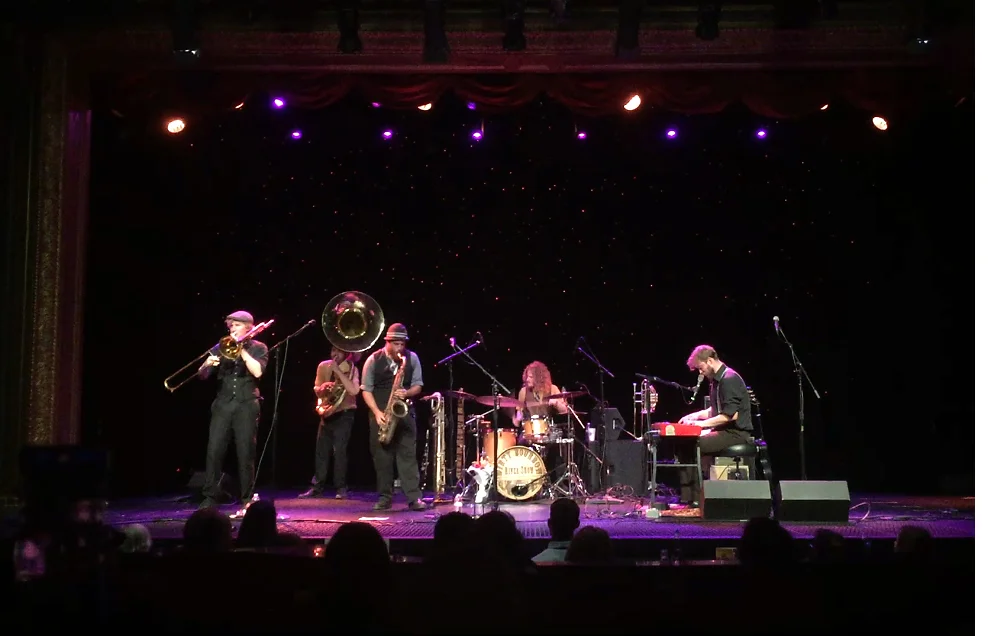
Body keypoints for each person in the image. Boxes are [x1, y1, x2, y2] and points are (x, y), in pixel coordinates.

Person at [197, 310, 269, 509]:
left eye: (237, 325)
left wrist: (241, 350)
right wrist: (206, 365)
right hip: (223, 404)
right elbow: (202, 375)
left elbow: (257, 372)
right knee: (214, 450)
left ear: (248, 327)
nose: (232, 329)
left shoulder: (259, 347)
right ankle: (210, 496)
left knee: (246, 452)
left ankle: (247, 497)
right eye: (230, 326)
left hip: (247, 404)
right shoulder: (220, 346)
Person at [361, 323, 428, 511]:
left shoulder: (411, 358)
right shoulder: (373, 360)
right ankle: (385, 497)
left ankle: (414, 498)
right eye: (396, 344)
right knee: (382, 458)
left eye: (402, 344)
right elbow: (366, 390)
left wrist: (407, 393)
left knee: (408, 456)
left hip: (404, 413)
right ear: (387, 342)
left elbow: (418, 385)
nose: (400, 348)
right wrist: (377, 412)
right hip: (381, 414)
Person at [678, 344, 753, 502]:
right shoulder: (717, 381)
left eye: (701, 368)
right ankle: (693, 497)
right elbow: (716, 410)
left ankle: (696, 499)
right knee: (685, 443)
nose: (700, 372)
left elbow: (729, 416)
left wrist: (700, 425)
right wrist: (694, 416)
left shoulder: (729, 379)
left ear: (710, 361)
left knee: (690, 445)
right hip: (726, 431)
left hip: (736, 434)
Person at [299, 345, 361, 499]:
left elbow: (354, 390)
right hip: (327, 413)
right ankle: (317, 487)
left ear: (345, 353)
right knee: (321, 451)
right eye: (333, 350)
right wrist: (323, 388)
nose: (335, 354)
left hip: (345, 412)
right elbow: (317, 389)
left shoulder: (352, 368)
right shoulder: (323, 366)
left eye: (339, 351)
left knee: (340, 451)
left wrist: (338, 371)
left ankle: (341, 487)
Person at [513, 360, 568, 426]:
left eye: (531, 377)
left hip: (550, 428)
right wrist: (518, 418)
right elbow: (519, 415)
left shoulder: (552, 388)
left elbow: (564, 411)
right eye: (527, 377)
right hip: (531, 429)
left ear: (539, 378)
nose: (527, 379)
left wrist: (556, 403)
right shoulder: (523, 391)